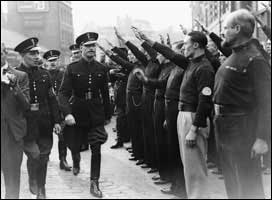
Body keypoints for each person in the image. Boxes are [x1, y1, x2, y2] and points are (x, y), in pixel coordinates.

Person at [137, 29, 214, 199]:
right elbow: (170, 54)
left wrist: (194, 129)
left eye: (186, 44)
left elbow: (205, 101)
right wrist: (149, 40)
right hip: (183, 115)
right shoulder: (191, 63)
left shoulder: (204, 68)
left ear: (195, 45)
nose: (183, 48)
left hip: (193, 118)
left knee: (195, 167)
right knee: (188, 166)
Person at [213, 9, 271, 199]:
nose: (223, 32)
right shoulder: (236, 54)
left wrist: (262, 137)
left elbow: (266, 101)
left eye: (226, 28)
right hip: (225, 127)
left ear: (237, 29)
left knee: (247, 184)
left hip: (242, 128)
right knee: (233, 182)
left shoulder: (255, 59)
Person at [59, 32, 111, 198]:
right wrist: (67, 113)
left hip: (95, 113)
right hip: (77, 112)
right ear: (80, 48)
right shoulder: (72, 68)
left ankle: (94, 183)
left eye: (93, 45)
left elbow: (105, 93)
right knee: (75, 144)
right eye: (87, 46)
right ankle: (75, 159)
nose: (91, 49)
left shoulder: (101, 69)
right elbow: (63, 93)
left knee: (96, 148)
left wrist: (107, 115)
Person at [16, 38, 61, 199]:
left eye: (37, 53)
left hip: (44, 123)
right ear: (22, 55)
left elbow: (52, 99)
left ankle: (41, 189)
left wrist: (57, 121)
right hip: (26, 124)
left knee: (44, 156)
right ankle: (32, 178)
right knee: (33, 156)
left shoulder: (45, 74)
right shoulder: (15, 75)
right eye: (32, 53)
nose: (36, 56)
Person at [1, 42, 30, 199]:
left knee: (12, 178)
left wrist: (14, 87)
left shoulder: (20, 76)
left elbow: (26, 105)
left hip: (13, 134)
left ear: (5, 53)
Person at [43, 49, 72, 172]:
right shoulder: (43, 74)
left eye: (54, 60)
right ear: (46, 62)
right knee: (45, 135)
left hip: (60, 109)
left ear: (58, 61)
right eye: (50, 61)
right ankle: (45, 156)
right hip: (46, 110)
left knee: (62, 136)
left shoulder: (63, 74)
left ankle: (63, 160)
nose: (53, 63)